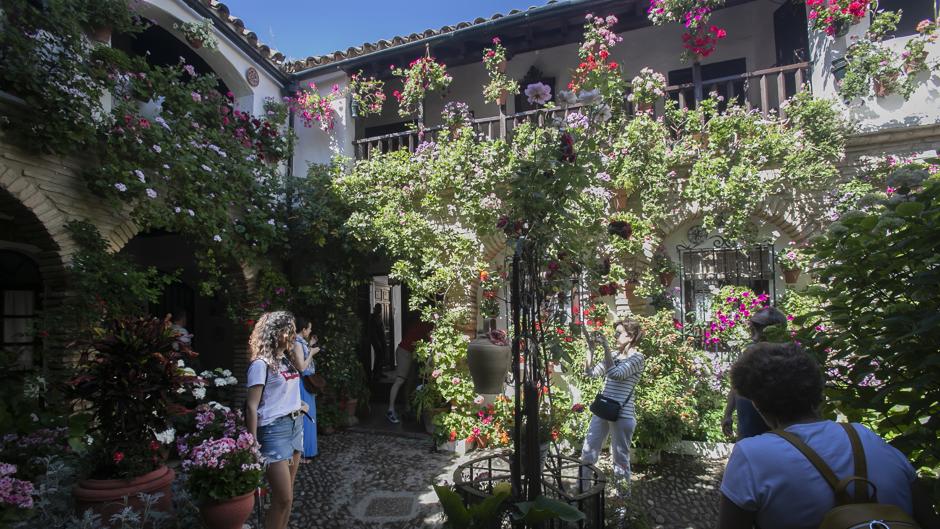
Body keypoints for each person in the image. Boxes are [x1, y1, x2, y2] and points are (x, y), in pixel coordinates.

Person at [718, 341, 939, 529]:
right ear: (819, 393)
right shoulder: (867, 436)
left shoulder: (752, 455)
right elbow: (926, 518)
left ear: (757, 405)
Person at [245, 311, 307, 529]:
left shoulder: (287, 361)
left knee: (288, 497)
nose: (293, 334)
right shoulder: (260, 365)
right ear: (275, 333)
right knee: (283, 498)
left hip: (295, 426)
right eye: (289, 329)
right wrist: (252, 444)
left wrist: (298, 405)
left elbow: (285, 392)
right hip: (273, 432)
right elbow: (252, 406)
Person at [579, 319, 645, 494]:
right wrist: (590, 350)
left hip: (623, 415)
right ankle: (583, 493)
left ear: (630, 337)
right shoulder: (614, 355)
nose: (614, 336)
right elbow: (590, 373)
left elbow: (615, 374)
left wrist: (606, 347)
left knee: (620, 460)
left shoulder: (638, 358)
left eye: (618, 333)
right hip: (603, 411)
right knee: (588, 452)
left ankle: (621, 505)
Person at [721, 305, 787, 440]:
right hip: (746, 431)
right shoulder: (749, 352)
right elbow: (736, 386)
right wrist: (728, 414)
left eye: (761, 331)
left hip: (773, 436)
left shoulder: (788, 360)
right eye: (753, 330)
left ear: (778, 331)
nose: (755, 338)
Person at [386, 319, 434, 424]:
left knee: (410, 380)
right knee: (400, 380)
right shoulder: (428, 325)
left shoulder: (425, 323)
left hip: (410, 353)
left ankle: (407, 407)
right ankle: (390, 410)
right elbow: (432, 343)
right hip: (405, 351)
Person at [293, 315, 319, 460]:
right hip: (302, 383)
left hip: (307, 382)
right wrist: (312, 353)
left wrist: (310, 345)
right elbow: (302, 366)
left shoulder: (301, 342)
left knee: (310, 416)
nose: (310, 331)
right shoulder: (296, 343)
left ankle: (309, 451)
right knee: (306, 417)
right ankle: (303, 454)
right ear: (303, 330)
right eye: (309, 329)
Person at [369, 304, 388, 375]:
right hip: (377, 340)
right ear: (375, 309)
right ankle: (376, 372)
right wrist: (377, 342)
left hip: (382, 339)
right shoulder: (372, 317)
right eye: (379, 308)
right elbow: (373, 331)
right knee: (379, 356)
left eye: (381, 309)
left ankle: (380, 372)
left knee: (382, 356)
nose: (380, 310)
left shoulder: (379, 316)